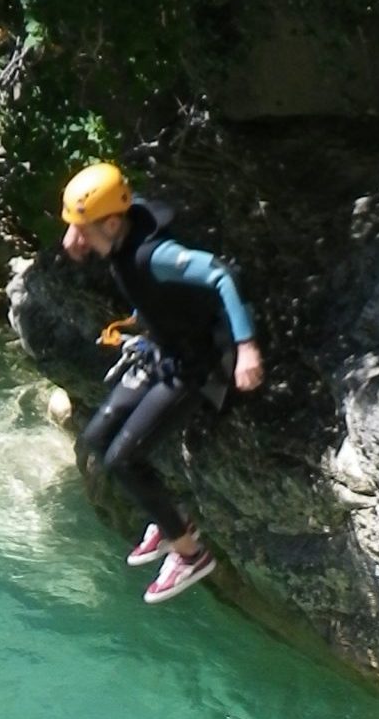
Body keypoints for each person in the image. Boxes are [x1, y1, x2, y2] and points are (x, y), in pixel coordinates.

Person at [59, 162, 264, 604]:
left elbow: (220, 274)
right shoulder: (119, 224)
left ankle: (191, 554)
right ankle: (172, 519)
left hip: (196, 363)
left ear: (111, 224)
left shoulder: (156, 256)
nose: (79, 239)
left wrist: (247, 348)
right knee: (96, 437)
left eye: (84, 229)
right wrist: (77, 228)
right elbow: (106, 204)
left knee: (123, 459)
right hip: (163, 351)